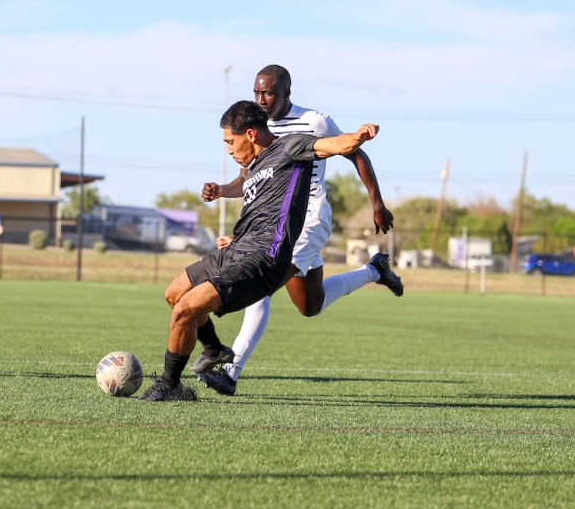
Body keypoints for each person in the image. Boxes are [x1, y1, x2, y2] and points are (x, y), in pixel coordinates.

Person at [137, 100, 379, 401]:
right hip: (238, 249)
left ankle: (169, 386)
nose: (228, 149)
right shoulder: (253, 167)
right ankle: (214, 348)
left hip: (264, 258)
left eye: (230, 141)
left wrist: (359, 135)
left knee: (188, 308)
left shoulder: (291, 147)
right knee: (174, 294)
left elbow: (334, 145)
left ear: (250, 134)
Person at [193, 65, 402, 396]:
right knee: (310, 305)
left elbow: (353, 152)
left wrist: (377, 203)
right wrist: (221, 189)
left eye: (268, 93)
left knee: (261, 285)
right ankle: (375, 271)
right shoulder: (256, 128)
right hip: (275, 221)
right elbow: (253, 177)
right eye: (257, 92)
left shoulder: (314, 122)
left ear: (286, 93)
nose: (261, 99)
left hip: (309, 217)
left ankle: (231, 373)